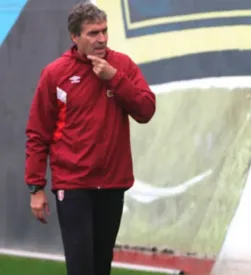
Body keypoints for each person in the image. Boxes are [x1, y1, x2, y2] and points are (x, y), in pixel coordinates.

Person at [24, 2, 156, 275]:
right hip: (72, 185)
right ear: (75, 37)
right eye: (93, 33)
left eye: (105, 31)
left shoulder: (122, 66)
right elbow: (38, 133)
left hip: (112, 183)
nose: (102, 39)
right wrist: (36, 188)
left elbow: (146, 110)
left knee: (100, 266)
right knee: (81, 266)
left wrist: (114, 78)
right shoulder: (55, 74)